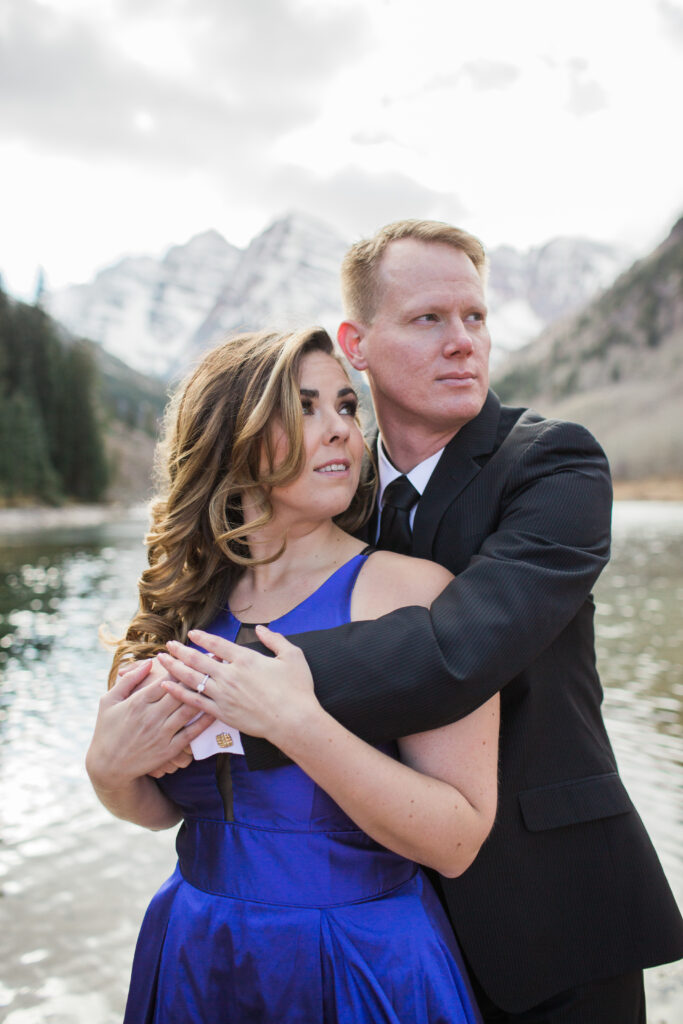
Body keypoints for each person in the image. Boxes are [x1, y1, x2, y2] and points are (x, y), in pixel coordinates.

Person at [183, 220, 683, 1023]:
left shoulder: (554, 464)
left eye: (475, 318)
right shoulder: (331, 486)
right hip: (379, 927)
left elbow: (462, 648)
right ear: (358, 343)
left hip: (550, 916)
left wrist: (226, 681)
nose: (462, 342)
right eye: (428, 319)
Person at [86, 326, 499, 1023]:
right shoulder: (187, 604)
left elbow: (456, 839)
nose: (339, 429)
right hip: (196, 948)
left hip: (356, 960)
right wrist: (108, 773)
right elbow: (172, 810)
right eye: (303, 408)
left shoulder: (413, 594)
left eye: (344, 405)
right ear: (233, 436)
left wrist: (298, 724)